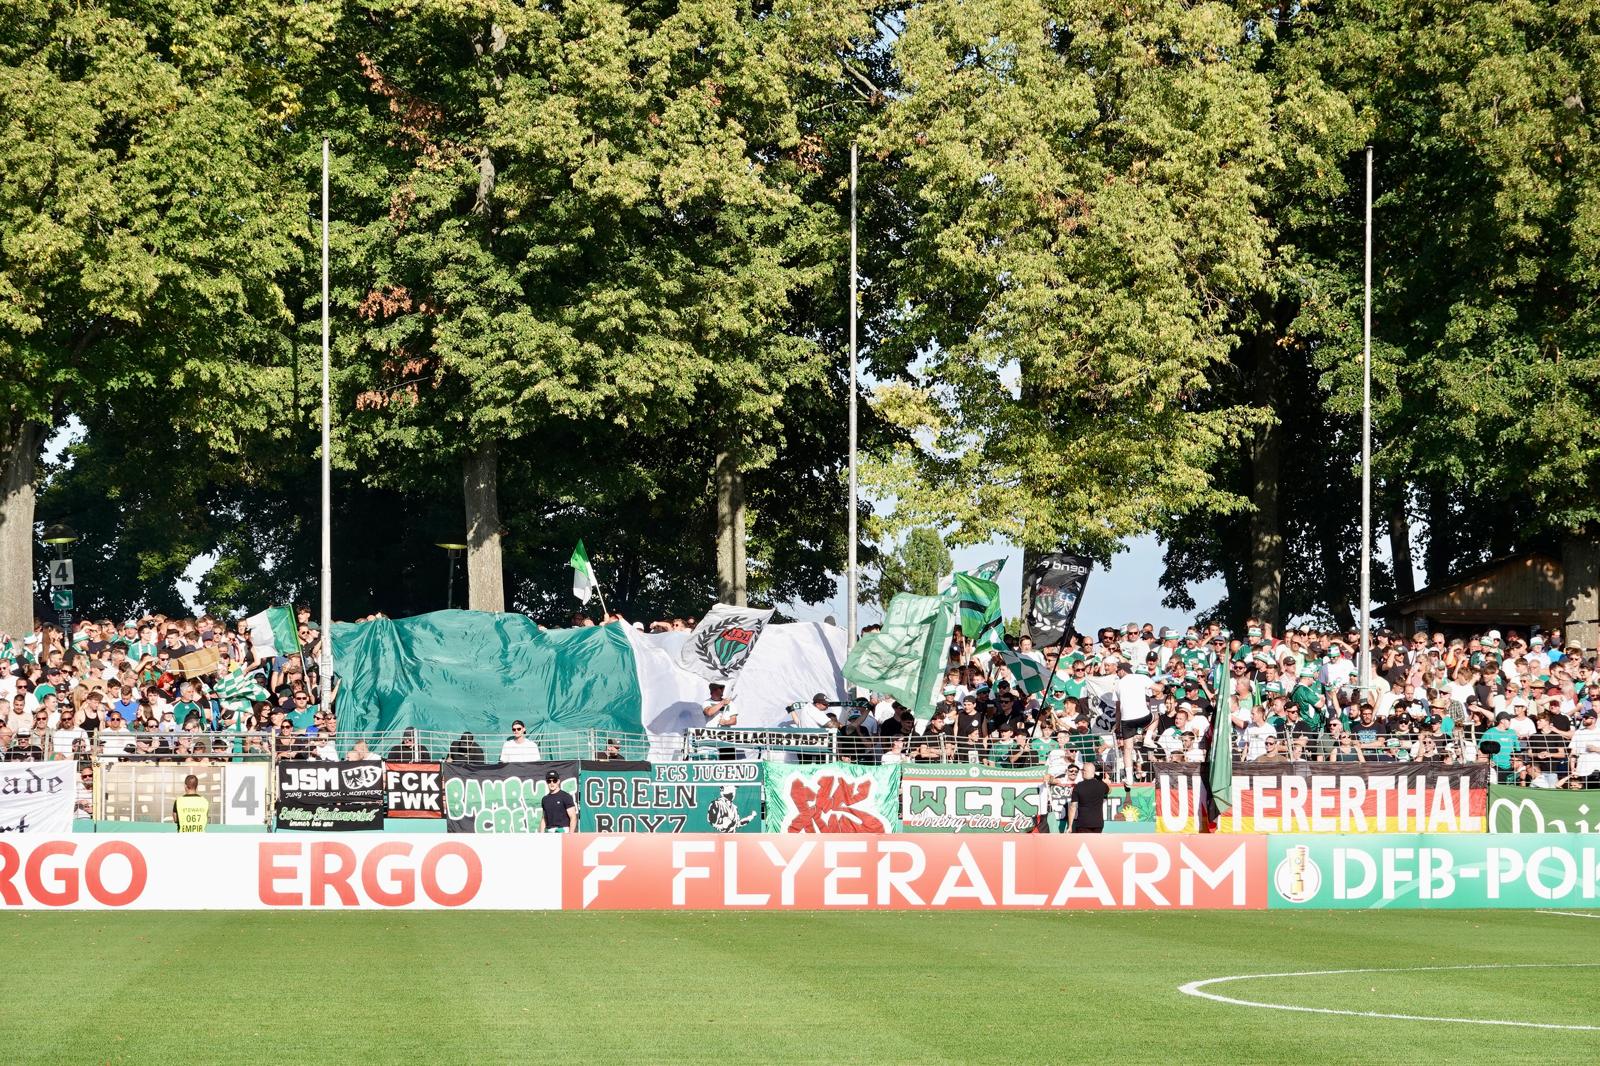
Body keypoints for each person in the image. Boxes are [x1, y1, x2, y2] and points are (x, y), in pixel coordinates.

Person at [1067, 760, 1110, 833]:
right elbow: (1109, 791)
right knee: (1095, 844)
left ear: (1084, 772)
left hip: (1083, 824)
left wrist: (1070, 826)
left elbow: (1073, 807)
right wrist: (1107, 782)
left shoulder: (1078, 786)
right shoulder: (1102, 785)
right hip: (1098, 824)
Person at [701, 682, 738, 761]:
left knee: (728, 760)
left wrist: (725, 722)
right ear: (714, 690)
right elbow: (709, 712)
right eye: (720, 688)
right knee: (710, 759)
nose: (723, 690)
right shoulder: (706, 702)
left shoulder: (730, 703)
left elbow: (734, 720)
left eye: (723, 688)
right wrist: (722, 703)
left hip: (726, 736)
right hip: (711, 735)